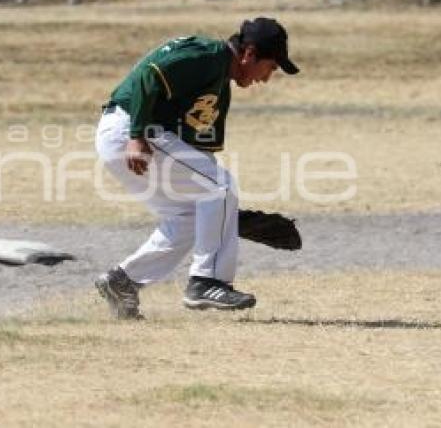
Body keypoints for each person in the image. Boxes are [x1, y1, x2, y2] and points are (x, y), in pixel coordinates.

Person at [94, 17, 299, 319]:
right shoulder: (206, 55)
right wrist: (136, 136)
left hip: (137, 137)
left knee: (189, 215)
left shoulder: (219, 85)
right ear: (250, 54)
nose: (266, 78)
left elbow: (199, 158)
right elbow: (146, 77)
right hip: (131, 132)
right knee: (220, 186)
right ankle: (207, 282)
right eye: (270, 66)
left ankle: (123, 281)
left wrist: (226, 217)